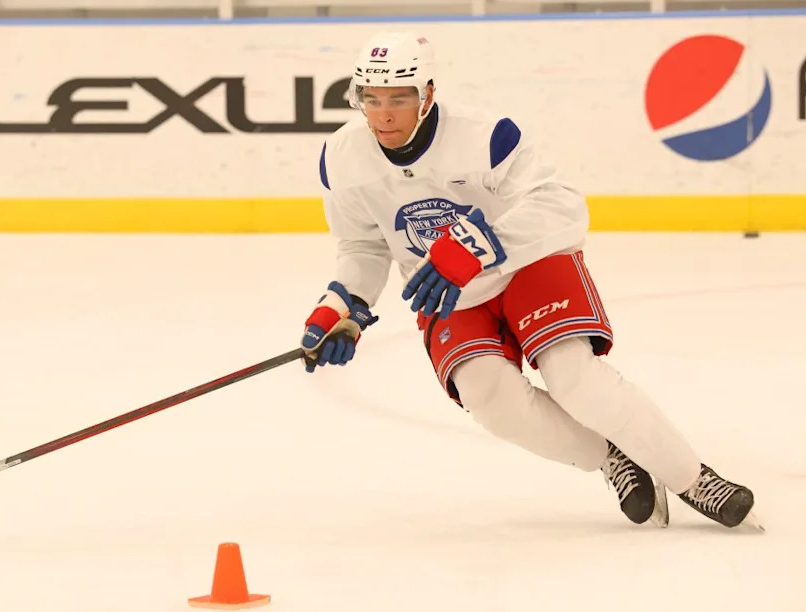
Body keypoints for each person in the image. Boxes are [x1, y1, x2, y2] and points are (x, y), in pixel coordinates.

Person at [300, 31, 756, 528]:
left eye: (399, 99)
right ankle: (610, 455)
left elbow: (561, 204)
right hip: (447, 290)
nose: (383, 114)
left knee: (574, 377)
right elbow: (362, 246)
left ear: (427, 95)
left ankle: (693, 478)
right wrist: (342, 305)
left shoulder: (484, 134)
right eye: (372, 99)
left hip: (526, 263)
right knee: (489, 399)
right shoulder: (342, 158)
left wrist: (474, 246)